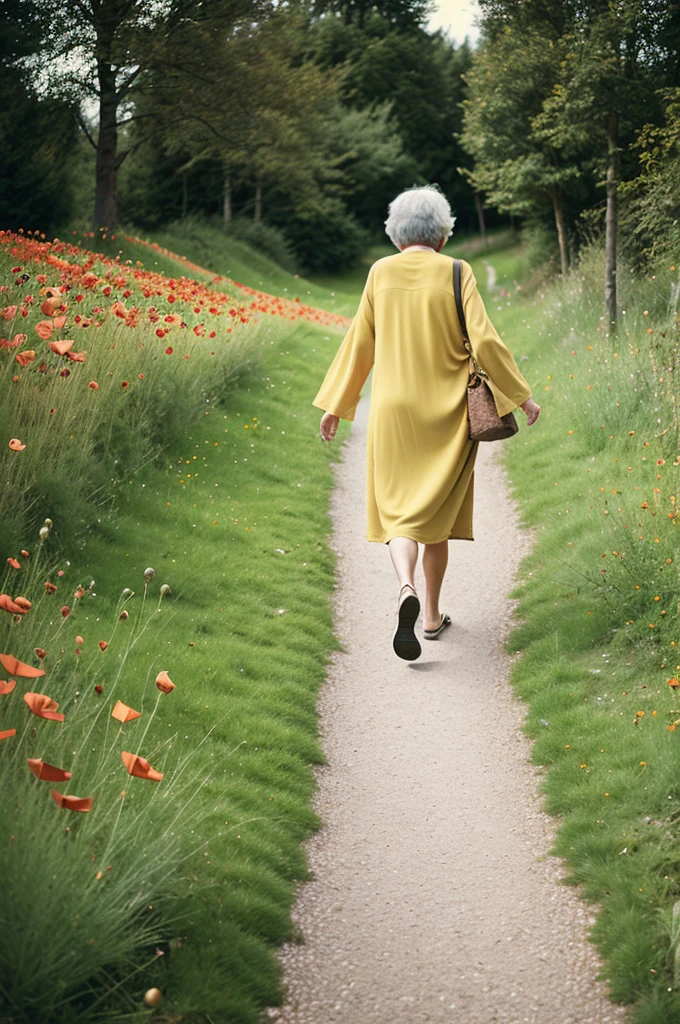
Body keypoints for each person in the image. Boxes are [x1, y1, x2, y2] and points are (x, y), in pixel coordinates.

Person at [313, 186, 541, 661]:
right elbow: (486, 340)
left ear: (397, 236)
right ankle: (433, 616)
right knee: (436, 515)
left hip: (393, 411)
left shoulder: (380, 273)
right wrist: (521, 394)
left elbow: (360, 343)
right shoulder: (458, 272)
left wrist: (336, 404)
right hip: (449, 412)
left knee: (399, 510)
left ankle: (404, 587)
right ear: (441, 234)